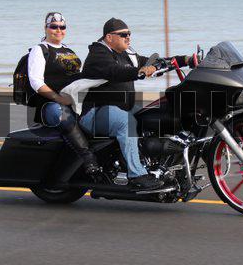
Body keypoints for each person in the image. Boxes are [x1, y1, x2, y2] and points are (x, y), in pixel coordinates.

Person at [80, 17, 192, 190]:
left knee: (157, 113)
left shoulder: (127, 55)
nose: (128, 37)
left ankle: (163, 166)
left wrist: (185, 60)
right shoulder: (98, 55)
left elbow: (152, 62)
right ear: (109, 37)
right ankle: (136, 175)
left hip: (122, 108)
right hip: (95, 113)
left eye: (129, 34)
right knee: (126, 121)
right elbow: (115, 71)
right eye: (123, 34)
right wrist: (140, 71)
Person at [28, 12, 99, 176]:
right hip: (50, 105)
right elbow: (36, 82)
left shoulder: (68, 50)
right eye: (54, 27)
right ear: (45, 28)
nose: (58, 30)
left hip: (74, 99)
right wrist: (59, 99)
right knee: (63, 116)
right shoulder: (40, 50)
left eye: (62, 27)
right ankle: (88, 158)